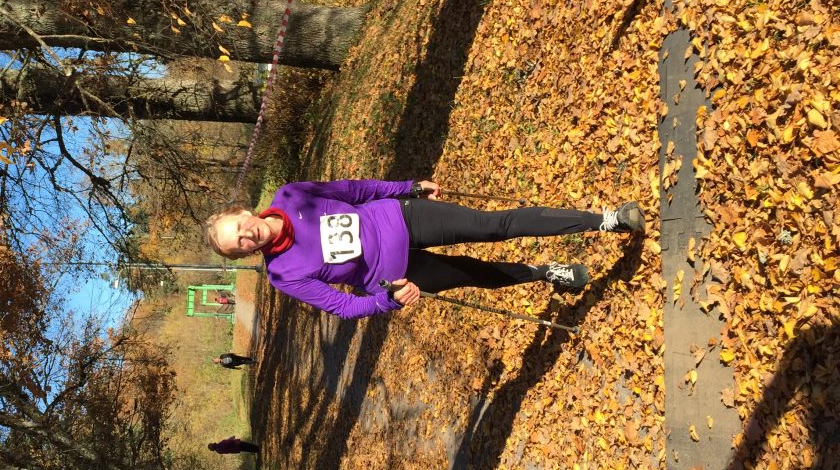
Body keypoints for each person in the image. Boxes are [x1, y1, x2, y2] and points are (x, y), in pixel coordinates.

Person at [204, 179, 643, 320]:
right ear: (243, 255)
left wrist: (406, 187)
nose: (246, 235)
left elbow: (354, 190)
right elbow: (343, 306)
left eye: (238, 227)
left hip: (402, 217)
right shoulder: (283, 274)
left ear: (242, 211)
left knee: (495, 226)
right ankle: (546, 272)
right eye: (238, 244)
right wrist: (388, 300)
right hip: (399, 275)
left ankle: (605, 220)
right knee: (478, 275)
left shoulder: (292, 195)